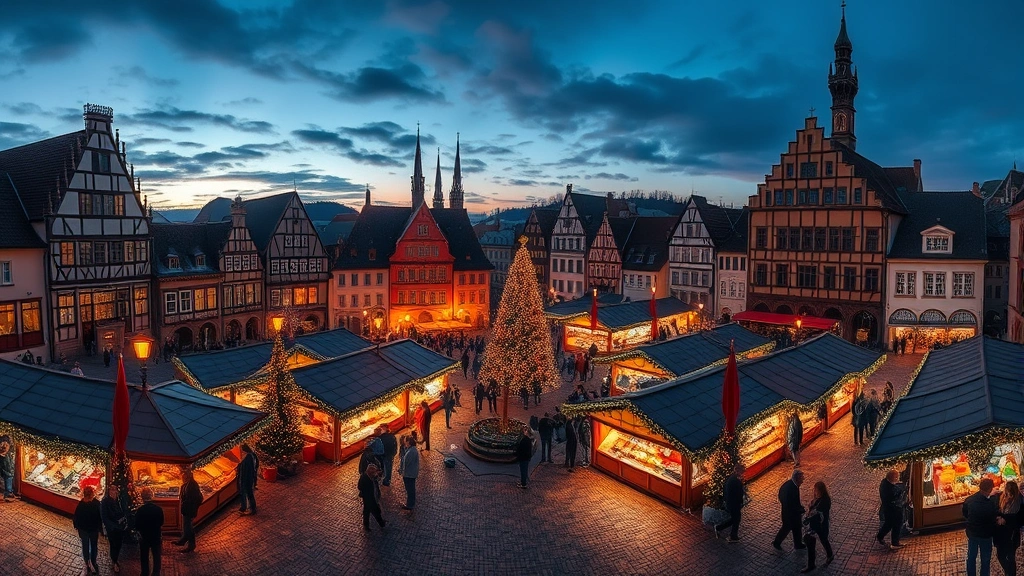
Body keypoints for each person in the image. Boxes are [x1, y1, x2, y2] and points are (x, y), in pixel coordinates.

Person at [964, 477, 999, 576]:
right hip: (986, 535)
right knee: (986, 558)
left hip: (973, 533)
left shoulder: (969, 500)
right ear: (990, 489)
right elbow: (993, 518)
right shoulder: (991, 503)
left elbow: (965, 514)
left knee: (971, 556)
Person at [802, 481, 834, 572]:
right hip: (815, 526)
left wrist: (808, 516)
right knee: (812, 543)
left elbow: (816, 512)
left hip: (820, 525)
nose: (815, 492)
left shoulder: (825, 500)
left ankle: (829, 555)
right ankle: (812, 564)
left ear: (821, 490)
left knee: (823, 540)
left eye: (817, 490)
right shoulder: (817, 498)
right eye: (815, 490)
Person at [772, 469, 806, 551]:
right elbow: (790, 502)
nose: (803, 479)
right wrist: (798, 509)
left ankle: (798, 544)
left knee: (797, 527)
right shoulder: (791, 488)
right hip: (789, 514)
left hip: (793, 513)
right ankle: (777, 542)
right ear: (797, 477)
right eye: (802, 477)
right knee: (787, 528)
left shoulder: (792, 485)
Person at [995, 480, 1022, 576]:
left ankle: (1010, 574)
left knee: (1010, 556)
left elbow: (1020, 519)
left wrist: (1005, 519)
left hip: (1012, 535)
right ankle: (1009, 572)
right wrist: (998, 517)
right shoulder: (1002, 498)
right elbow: (998, 510)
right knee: (1001, 555)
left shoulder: (1019, 502)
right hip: (1001, 534)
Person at [135, 488, 165, 576]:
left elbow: (137, 525)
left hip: (144, 537)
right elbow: (161, 522)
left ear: (142, 497)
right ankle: (156, 573)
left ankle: (145, 573)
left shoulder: (140, 510)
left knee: (144, 556)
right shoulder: (158, 509)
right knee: (156, 555)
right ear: (151, 496)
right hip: (156, 535)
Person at [73, 485, 102, 574]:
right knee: (94, 546)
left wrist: (77, 526)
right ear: (92, 494)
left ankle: (87, 563)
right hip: (93, 530)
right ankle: (93, 562)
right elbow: (100, 517)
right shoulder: (97, 503)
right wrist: (100, 529)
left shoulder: (81, 504)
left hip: (83, 530)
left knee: (85, 546)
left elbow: (76, 517)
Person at [714, 463, 746, 543]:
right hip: (734, 504)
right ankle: (733, 536)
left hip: (730, 503)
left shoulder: (730, 478)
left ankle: (719, 528)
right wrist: (740, 502)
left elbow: (726, 490)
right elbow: (738, 493)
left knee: (734, 519)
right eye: (742, 472)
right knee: (736, 519)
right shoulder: (736, 481)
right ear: (738, 471)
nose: (743, 474)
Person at [100, 485, 127, 573]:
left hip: (121, 527)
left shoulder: (120, 500)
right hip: (112, 529)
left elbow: (125, 510)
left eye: (115, 490)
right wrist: (112, 526)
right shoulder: (105, 502)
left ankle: (115, 558)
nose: (113, 492)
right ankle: (115, 561)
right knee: (113, 544)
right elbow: (104, 517)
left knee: (119, 544)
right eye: (111, 490)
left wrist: (125, 521)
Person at [876, 470, 906, 549]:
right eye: (896, 477)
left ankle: (880, 536)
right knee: (897, 524)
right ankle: (895, 543)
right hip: (894, 509)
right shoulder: (891, 489)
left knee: (888, 524)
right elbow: (896, 496)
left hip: (887, 508)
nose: (897, 479)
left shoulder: (884, 483)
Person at [175, 469, 202, 553]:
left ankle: (191, 545)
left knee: (189, 527)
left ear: (188, 476)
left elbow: (198, 498)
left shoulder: (193, 485)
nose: (182, 478)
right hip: (186, 509)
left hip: (190, 510)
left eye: (184, 476)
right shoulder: (186, 485)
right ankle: (183, 539)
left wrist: (190, 505)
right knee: (186, 526)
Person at [358, 464, 387, 531]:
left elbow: (376, 479)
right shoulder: (364, 478)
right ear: (370, 472)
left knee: (367, 512)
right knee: (375, 511)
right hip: (369, 498)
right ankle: (381, 523)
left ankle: (367, 525)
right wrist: (365, 491)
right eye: (373, 473)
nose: (374, 474)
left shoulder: (371, 477)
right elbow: (359, 487)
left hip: (371, 497)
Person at [398, 436, 420, 510]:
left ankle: (410, 505)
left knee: (410, 489)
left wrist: (401, 471)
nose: (404, 442)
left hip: (409, 474)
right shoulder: (411, 449)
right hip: (410, 473)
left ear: (408, 442)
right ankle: (410, 503)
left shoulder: (411, 452)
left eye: (405, 441)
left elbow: (406, 463)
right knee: (410, 489)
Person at [237, 443, 258, 515]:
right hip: (250, 478)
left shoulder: (247, 459)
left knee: (247, 493)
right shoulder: (252, 455)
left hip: (246, 479)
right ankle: (251, 507)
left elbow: (245, 471)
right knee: (249, 493)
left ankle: (248, 508)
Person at [0, 437, 17, 501]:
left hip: (7, 467)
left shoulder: (8, 454)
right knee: (8, 477)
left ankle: (8, 493)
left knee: (8, 477)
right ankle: (8, 493)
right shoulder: (6, 454)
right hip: (7, 468)